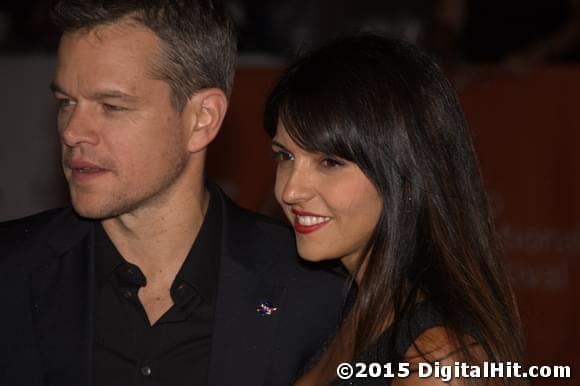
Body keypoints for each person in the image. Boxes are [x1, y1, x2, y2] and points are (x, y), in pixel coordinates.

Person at [0, 1, 347, 385]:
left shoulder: (317, 294)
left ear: (202, 119)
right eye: (66, 102)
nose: (72, 131)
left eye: (112, 106)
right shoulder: (11, 272)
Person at [265, 35, 527, 385]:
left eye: (329, 162)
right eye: (285, 156)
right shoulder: (349, 308)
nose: (290, 190)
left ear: (406, 177)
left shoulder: (436, 358)